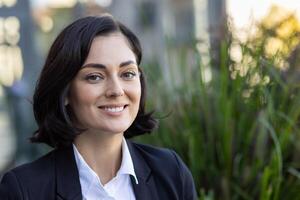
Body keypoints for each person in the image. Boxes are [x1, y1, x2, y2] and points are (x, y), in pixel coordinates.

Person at [0, 14, 197, 200]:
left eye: (127, 73)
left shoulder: (171, 172)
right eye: (95, 77)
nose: (116, 90)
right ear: (65, 91)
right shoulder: (24, 189)